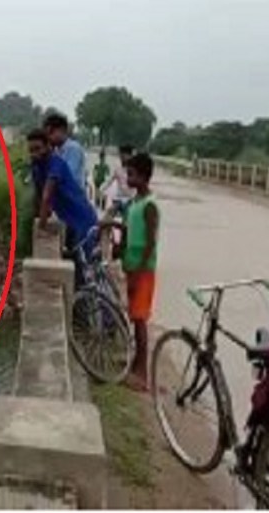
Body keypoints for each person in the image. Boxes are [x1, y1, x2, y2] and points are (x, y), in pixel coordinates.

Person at [103, 152, 159, 392]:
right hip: (131, 265)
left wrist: (139, 271)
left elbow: (150, 243)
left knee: (140, 319)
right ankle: (135, 363)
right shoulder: (135, 202)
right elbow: (128, 229)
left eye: (132, 174)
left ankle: (142, 374)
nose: (128, 178)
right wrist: (116, 237)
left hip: (143, 271)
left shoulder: (150, 205)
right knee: (134, 316)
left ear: (144, 177)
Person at [27, 129, 98, 281]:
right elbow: (38, 196)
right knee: (68, 267)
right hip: (67, 222)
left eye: (38, 149)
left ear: (48, 146)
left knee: (82, 270)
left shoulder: (56, 164)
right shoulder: (36, 167)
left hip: (82, 220)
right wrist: (38, 219)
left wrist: (41, 229)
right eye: (31, 150)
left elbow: (46, 196)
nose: (34, 154)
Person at [44, 113, 87, 191]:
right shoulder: (56, 150)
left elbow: (68, 174)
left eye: (51, 132)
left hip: (73, 194)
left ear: (62, 130)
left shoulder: (73, 148)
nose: (49, 137)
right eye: (47, 134)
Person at [104, 144, 135, 218]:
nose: (121, 157)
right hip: (118, 199)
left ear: (130, 156)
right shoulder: (118, 169)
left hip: (130, 199)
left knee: (127, 219)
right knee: (107, 216)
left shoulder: (134, 169)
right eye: (120, 156)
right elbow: (110, 181)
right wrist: (102, 189)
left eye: (123, 156)